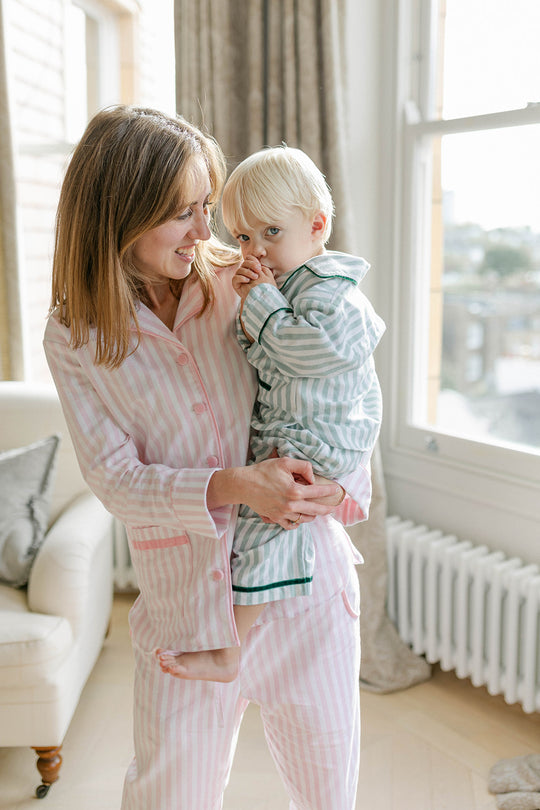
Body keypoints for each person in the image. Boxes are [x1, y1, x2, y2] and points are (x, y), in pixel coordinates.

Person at [44, 104, 374, 810]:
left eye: (205, 206)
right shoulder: (75, 333)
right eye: (181, 213)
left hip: (303, 591)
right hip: (185, 612)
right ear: (119, 215)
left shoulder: (250, 280)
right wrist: (234, 485)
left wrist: (337, 484)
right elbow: (115, 479)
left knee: (327, 797)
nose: (206, 232)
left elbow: (341, 385)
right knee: (169, 797)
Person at [158, 145, 385, 683]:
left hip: (320, 439)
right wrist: (256, 309)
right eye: (242, 237)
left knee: (266, 526)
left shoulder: (337, 296)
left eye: (271, 234)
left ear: (317, 224)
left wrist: (258, 303)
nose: (255, 250)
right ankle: (234, 644)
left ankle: (229, 651)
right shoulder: (288, 290)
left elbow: (301, 353)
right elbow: (266, 363)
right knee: (264, 525)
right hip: (298, 431)